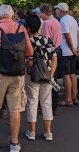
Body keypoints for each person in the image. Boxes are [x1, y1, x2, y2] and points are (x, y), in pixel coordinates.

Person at [0, 5, 33, 152]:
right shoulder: (21, 29)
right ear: (12, 15)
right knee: (15, 108)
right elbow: (29, 51)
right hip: (17, 73)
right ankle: (14, 143)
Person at [24, 13, 57, 141]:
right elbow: (54, 58)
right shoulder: (47, 40)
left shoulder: (27, 42)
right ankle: (48, 132)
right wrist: (51, 74)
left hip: (32, 75)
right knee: (46, 103)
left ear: (27, 28)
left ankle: (31, 131)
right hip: (47, 75)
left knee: (32, 102)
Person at [55, 3, 79, 107]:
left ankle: (68, 99)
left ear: (60, 11)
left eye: (57, 9)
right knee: (72, 74)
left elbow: (67, 36)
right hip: (74, 50)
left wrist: (72, 48)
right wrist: (77, 48)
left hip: (66, 51)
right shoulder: (72, 19)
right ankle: (74, 97)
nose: (56, 11)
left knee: (66, 75)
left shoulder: (63, 20)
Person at [39, 3, 62, 114]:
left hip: (50, 52)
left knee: (47, 79)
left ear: (44, 13)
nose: (39, 15)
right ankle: (54, 106)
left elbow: (46, 40)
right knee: (54, 78)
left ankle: (47, 107)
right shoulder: (57, 21)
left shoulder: (46, 23)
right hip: (58, 50)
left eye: (40, 13)